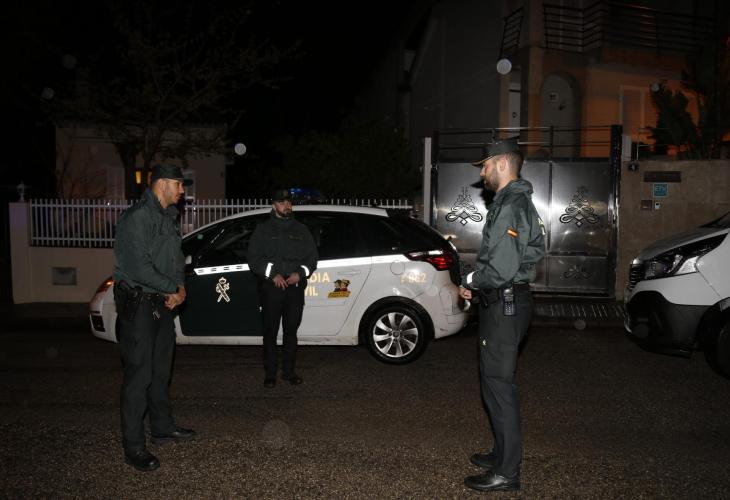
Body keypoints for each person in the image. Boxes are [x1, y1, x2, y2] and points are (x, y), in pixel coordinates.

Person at [459, 137, 546, 492]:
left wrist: (472, 280)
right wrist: (480, 285)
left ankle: (507, 472)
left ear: (502, 163)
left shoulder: (511, 205)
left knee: (499, 386)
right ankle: (502, 454)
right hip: (505, 300)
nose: (482, 173)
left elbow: (502, 267)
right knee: (495, 384)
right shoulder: (514, 201)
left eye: (485, 165)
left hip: (505, 304)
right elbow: (504, 258)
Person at [113, 164, 196, 472]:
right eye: (179, 184)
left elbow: (176, 260)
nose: (182, 190)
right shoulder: (136, 218)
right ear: (162, 184)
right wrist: (171, 287)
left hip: (162, 303)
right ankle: (133, 446)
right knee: (139, 376)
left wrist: (179, 288)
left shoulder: (168, 217)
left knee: (161, 372)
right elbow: (138, 267)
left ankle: (162, 427)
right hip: (139, 306)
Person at [247, 189, 318, 388]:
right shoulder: (263, 230)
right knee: (270, 332)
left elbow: (312, 259)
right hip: (272, 288)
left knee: (291, 333)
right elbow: (254, 259)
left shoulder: (301, 230)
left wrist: (300, 274)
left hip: (294, 288)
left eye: (288, 202)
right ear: (274, 205)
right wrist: (273, 274)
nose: (286, 206)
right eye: (281, 203)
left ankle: (289, 373)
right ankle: (270, 374)